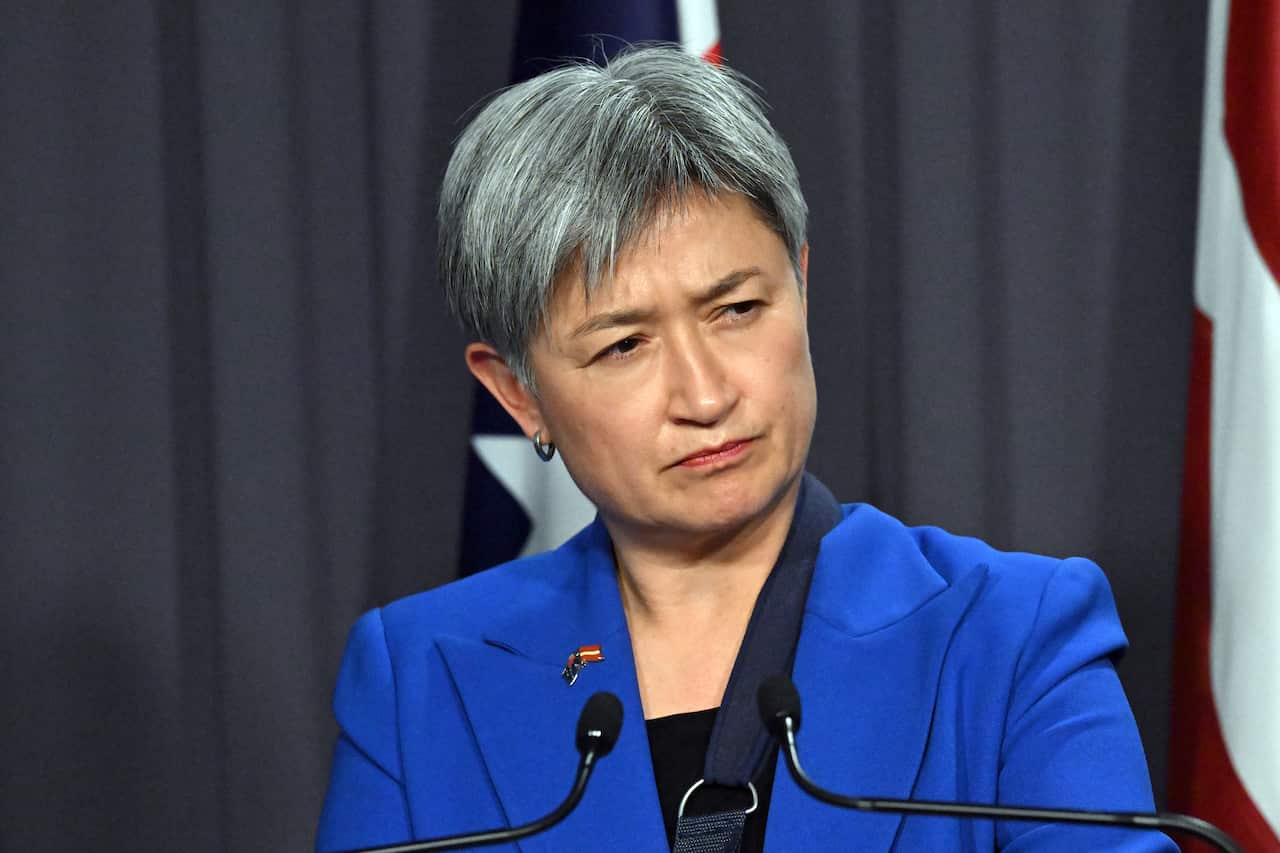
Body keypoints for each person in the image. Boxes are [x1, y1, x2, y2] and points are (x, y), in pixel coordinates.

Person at [316, 46, 1172, 852]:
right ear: (516, 392)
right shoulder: (415, 682)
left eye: (736, 310)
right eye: (623, 346)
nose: (705, 395)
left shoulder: (1012, 636)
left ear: (800, 282)